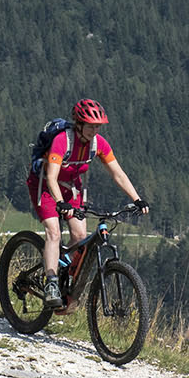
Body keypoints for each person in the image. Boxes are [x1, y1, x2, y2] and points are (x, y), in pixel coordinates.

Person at [37, 98, 146, 313]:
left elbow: (118, 174)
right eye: (90, 126)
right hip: (46, 187)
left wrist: (137, 199)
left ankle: (65, 274)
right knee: (54, 232)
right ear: (78, 124)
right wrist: (59, 202)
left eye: (98, 126)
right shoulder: (62, 141)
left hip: (72, 188)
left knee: (80, 236)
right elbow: (51, 177)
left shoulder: (98, 144)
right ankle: (51, 282)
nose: (94, 130)